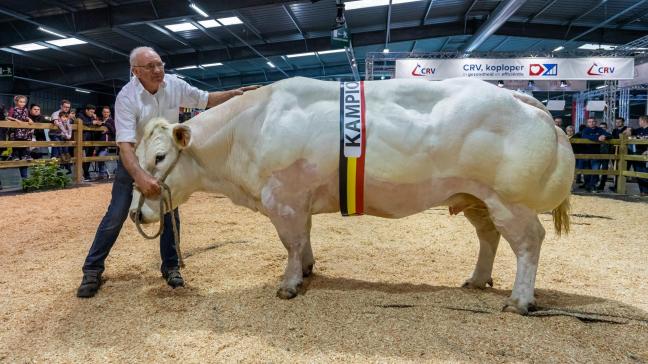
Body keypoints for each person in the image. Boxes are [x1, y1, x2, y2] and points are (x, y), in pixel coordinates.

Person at [77, 46, 258, 298]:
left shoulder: (174, 84)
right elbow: (125, 147)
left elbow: (204, 99)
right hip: (136, 159)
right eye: (150, 66)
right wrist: (141, 177)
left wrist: (236, 94)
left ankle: (171, 266)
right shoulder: (127, 97)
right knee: (117, 214)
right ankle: (92, 269)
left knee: (171, 213)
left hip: (164, 160)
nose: (158, 70)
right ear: (136, 71)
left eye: (160, 64)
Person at [581, 117, 611, 193]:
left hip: (597, 154)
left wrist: (605, 136)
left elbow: (609, 135)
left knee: (595, 171)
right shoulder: (585, 130)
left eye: (593, 121)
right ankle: (587, 185)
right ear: (587, 123)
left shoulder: (600, 130)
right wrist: (598, 138)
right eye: (590, 122)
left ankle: (592, 186)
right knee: (587, 171)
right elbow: (585, 136)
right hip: (586, 153)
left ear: (596, 122)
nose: (592, 123)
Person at [623, 115, 648, 196]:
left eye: (639, 121)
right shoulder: (639, 130)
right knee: (638, 173)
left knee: (645, 172)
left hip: (646, 154)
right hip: (638, 153)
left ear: (643, 121)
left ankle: (645, 191)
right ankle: (643, 191)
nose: (638, 122)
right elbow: (625, 134)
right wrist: (629, 129)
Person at [596, 122, 611, 191]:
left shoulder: (609, 135)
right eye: (601, 127)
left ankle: (602, 185)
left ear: (606, 128)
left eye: (604, 127)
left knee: (604, 171)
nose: (602, 129)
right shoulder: (596, 135)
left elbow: (610, 136)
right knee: (595, 170)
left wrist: (605, 137)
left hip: (605, 156)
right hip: (596, 155)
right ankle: (594, 184)